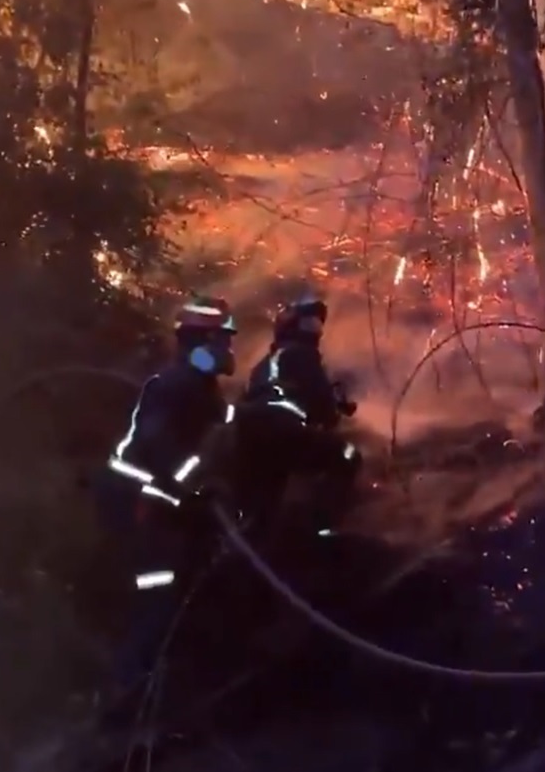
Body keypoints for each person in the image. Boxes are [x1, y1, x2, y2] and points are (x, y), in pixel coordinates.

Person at [92, 294, 240, 710]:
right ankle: (127, 695)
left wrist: (203, 490)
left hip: (161, 506)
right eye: (222, 340)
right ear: (202, 343)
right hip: (142, 504)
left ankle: (153, 687)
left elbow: (203, 453)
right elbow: (160, 450)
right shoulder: (177, 386)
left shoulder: (201, 390)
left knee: (172, 592)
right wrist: (191, 490)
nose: (228, 349)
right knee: (157, 595)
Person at [231, 294, 360, 531]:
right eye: (309, 324)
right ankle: (322, 529)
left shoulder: (265, 363)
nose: (315, 331)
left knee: (266, 495)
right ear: (290, 326)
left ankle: (253, 537)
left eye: (317, 325)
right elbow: (322, 403)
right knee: (347, 455)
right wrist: (336, 411)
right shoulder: (301, 355)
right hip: (280, 430)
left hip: (250, 434)